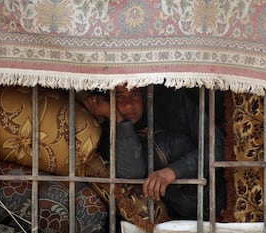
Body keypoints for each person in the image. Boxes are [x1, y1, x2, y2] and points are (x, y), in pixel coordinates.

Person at [83, 84, 226, 220]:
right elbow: (132, 172)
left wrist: (173, 171)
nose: (128, 105)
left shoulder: (175, 107)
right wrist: (116, 118)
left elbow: (217, 145)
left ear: (146, 93)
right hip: (173, 219)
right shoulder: (107, 133)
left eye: (135, 94)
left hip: (215, 202)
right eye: (119, 97)